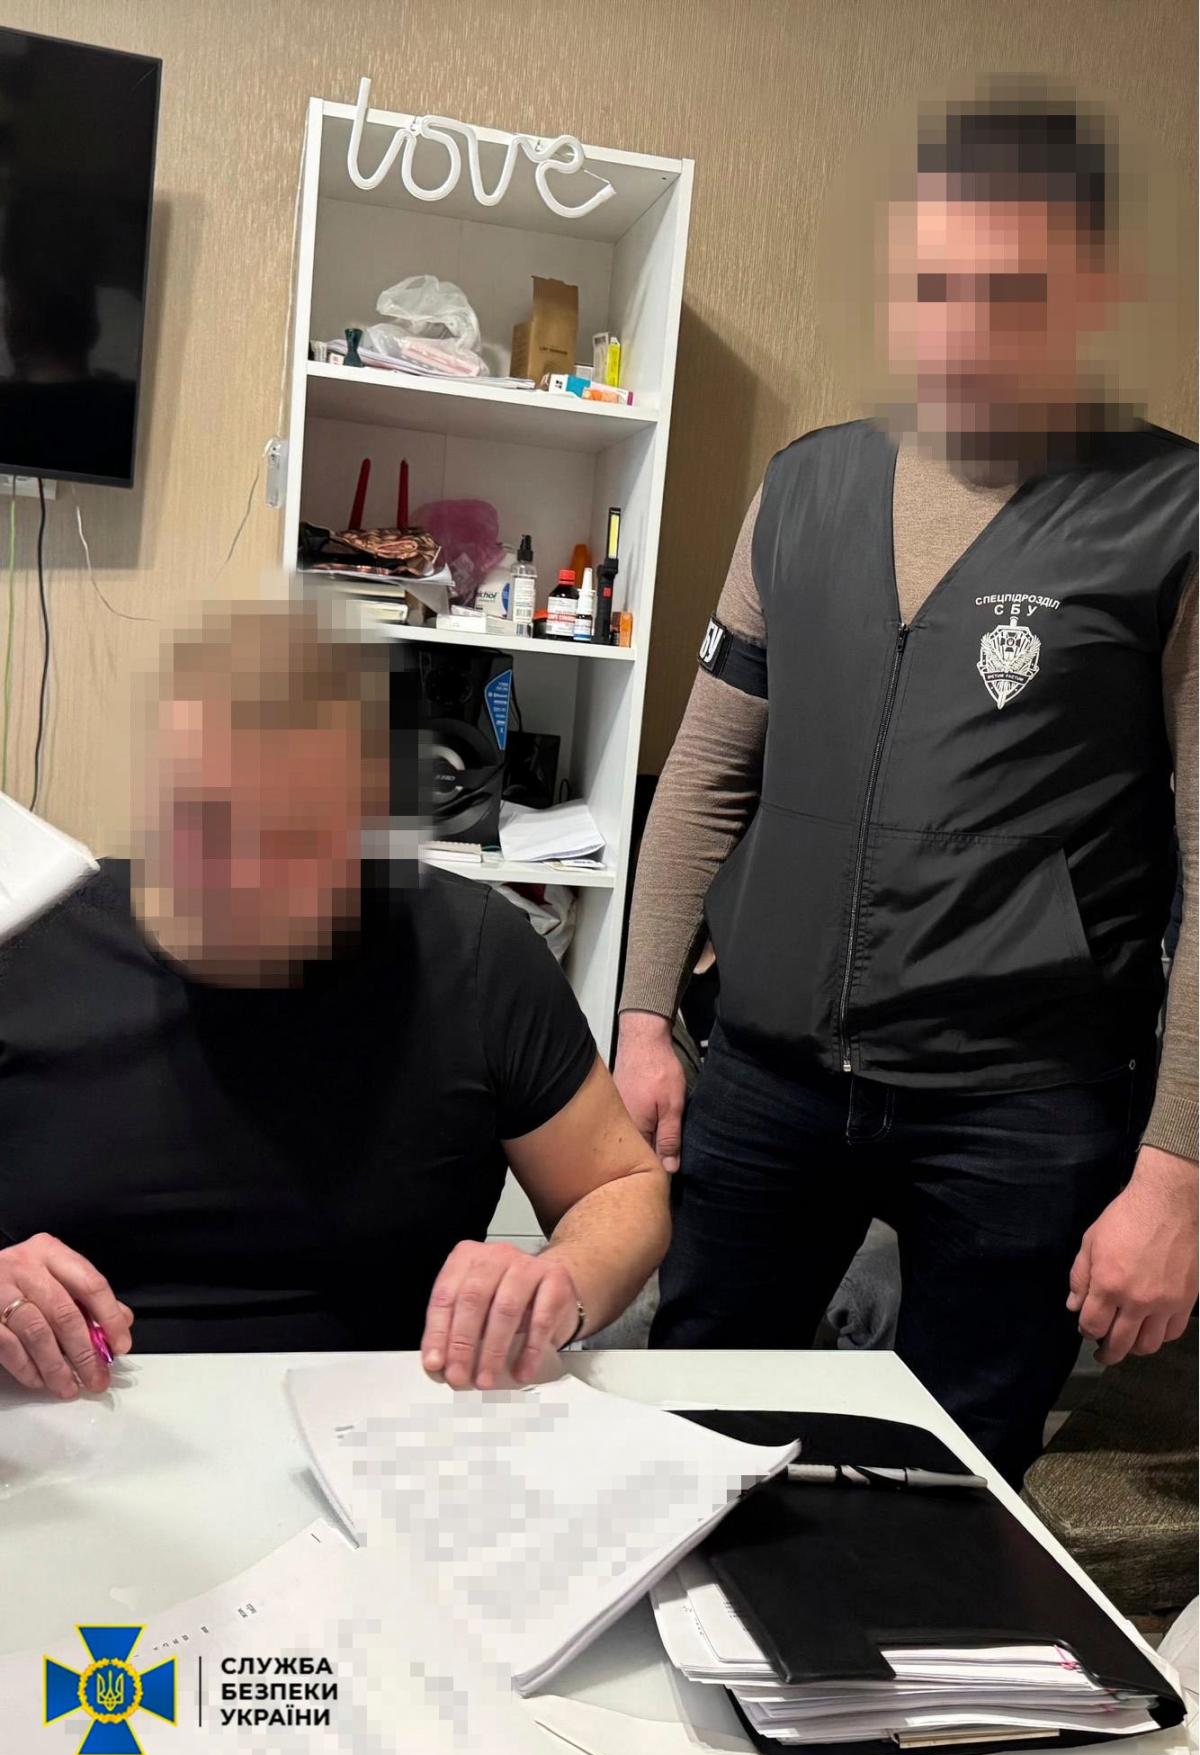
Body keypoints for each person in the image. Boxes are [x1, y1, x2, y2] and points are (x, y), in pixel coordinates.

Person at [615, 85, 1197, 1485]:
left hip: (1022, 1107)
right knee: (689, 1437)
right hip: (767, 1077)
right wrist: (638, 1016)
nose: (965, 329)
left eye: (1013, 292)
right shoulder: (804, 487)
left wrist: (1178, 1166)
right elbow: (706, 771)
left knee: (950, 1486)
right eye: (936, 287)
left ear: (1090, 292)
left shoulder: (1171, 515)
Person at [0, 601, 668, 1396]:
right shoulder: (28, 939)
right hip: (70, 1418)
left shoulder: (474, 954)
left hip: (383, 1425)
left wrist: (560, 1280)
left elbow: (619, 1185)